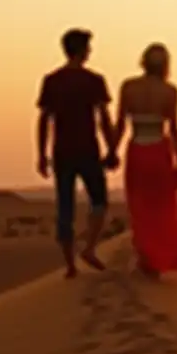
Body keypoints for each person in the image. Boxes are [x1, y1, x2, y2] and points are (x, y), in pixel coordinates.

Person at [36, 28, 114, 278]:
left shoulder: (52, 80)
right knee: (99, 201)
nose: (90, 51)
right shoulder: (94, 81)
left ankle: (70, 265)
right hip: (87, 150)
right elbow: (104, 118)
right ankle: (89, 248)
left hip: (62, 152)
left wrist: (41, 153)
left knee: (65, 208)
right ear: (82, 50)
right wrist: (112, 148)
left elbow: (43, 120)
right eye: (88, 47)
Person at [111, 43, 177, 277]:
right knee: (160, 208)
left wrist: (112, 151)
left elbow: (120, 124)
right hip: (159, 153)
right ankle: (152, 259)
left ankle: (147, 258)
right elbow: (174, 129)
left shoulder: (129, 87)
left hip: (138, 150)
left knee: (140, 206)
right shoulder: (170, 91)